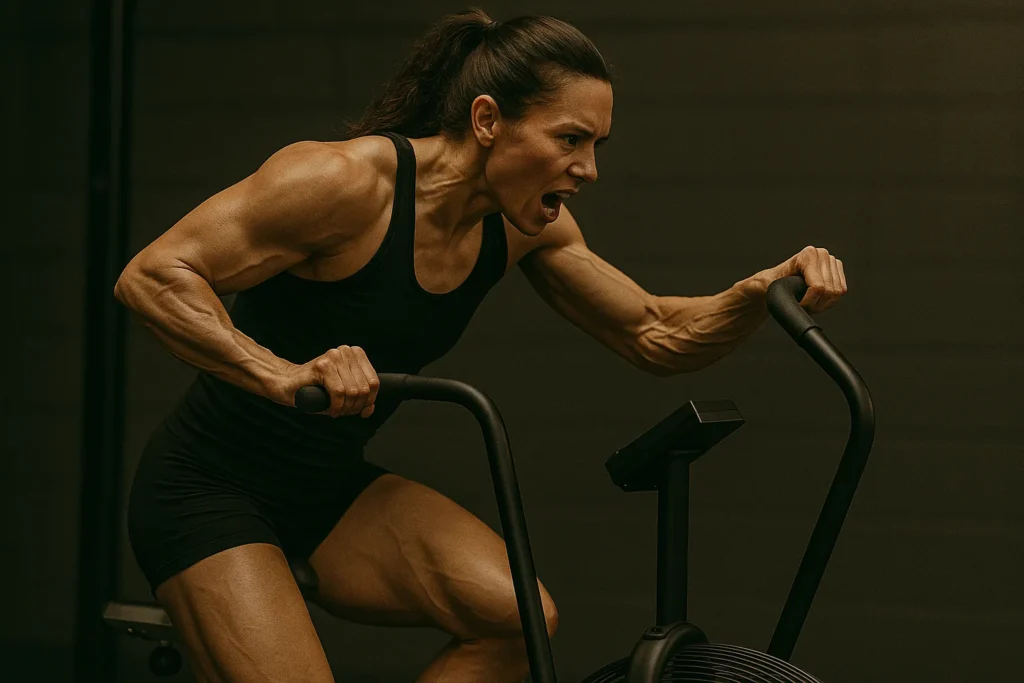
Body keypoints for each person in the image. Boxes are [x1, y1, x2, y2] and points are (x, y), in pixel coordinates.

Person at [114, 8, 847, 683]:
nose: (588, 168)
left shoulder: (521, 226)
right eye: (570, 140)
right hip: (206, 488)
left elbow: (653, 331)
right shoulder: (344, 183)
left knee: (519, 619)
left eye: (596, 146)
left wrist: (760, 292)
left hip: (325, 489)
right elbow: (152, 275)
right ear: (489, 119)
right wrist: (279, 373)